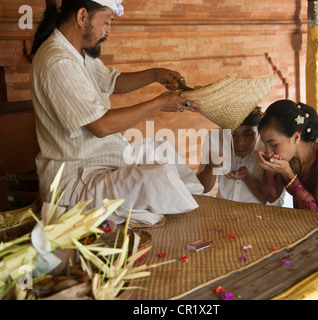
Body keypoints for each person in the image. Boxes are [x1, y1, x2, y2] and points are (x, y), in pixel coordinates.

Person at [30, 0, 204, 227]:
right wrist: (158, 105)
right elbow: (101, 126)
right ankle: (191, 210)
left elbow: (112, 82)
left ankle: (199, 201)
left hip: (97, 164)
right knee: (157, 179)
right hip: (74, 184)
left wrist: (155, 74)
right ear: (83, 17)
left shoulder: (78, 55)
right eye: (106, 22)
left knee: (160, 148)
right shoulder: (57, 61)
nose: (108, 32)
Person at [257, 99, 318, 218]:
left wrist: (288, 174)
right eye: (265, 144)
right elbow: (271, 197)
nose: (268, 151)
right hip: (303, 224)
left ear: (296, 137)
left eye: (273, 144)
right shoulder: (287, 157)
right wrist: (270, 171)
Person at [196, 108, 285, 206]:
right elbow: (202, 189)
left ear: (259, 132)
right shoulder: (216, 138)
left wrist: (248, 178)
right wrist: (211, 166)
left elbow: (274, 203)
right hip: (223, 211)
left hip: (259, 215)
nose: (239, 142)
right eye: (233, 134)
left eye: (248, 134)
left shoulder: (269, 146)